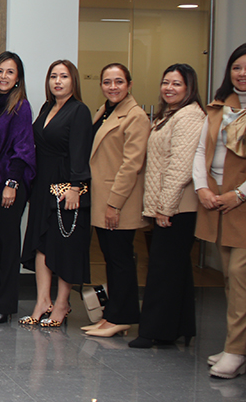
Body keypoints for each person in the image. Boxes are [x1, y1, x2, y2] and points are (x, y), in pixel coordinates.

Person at [130, 64, 205, 349]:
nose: (169, 88)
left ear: (189, 88)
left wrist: (165, 208)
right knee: (177, 269)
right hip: (169, 205)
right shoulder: (169, 115)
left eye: (177, 84)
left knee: (162, 269)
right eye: (166, 83)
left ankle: (153, 331)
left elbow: (180, 168)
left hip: (177, 207)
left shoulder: (189, 117)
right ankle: (182, 326)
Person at [194, 43, 246, 378]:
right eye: (237, 67)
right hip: (216, 202)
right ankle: (239, 347)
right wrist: (202, 187)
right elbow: (200, 151)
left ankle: (236, 350)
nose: (243, 74)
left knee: (242, 278)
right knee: (231, 280)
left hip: (245, 205)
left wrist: (240, 194)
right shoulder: (219, 108)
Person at [21, 59, 92, 328]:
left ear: (73, 80)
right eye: (53, 76)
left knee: (63, 246)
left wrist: (75, 187)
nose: (58, 81)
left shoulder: (79, 111)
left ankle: (62, 303)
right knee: (41, 243)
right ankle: (42, 301)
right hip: (42, 184)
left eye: (63, 76)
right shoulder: (47, 107)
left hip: (66, 186)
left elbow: (80, 151)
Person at [83, 63, 149, 338]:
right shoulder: (106, 110)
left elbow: (131, 166)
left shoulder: (136, 117)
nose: (112, 87)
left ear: (129, 85)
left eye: (118, 82)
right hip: (102, 197)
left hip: (117, 201)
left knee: (120, 259)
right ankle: (111, 315)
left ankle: (121, 317)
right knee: (111, 258)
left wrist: (114, 205)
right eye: (107, 82)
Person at [0, 52, 36, 324]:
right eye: (0, 71)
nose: (4, 76)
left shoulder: (20, 106)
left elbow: (23, 149)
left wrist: (12, 183)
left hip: (10, 187)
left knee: (7, 245)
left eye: (10, 72)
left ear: (18, 78)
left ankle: (4, 306)